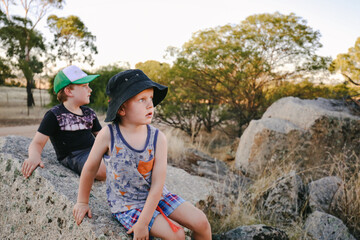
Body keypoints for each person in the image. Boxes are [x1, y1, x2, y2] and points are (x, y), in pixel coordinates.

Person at [73, 69, 212, 240]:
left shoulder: (157, 138)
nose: (150, 106)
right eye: (142, 100)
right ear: (122, 109)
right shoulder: (108, 134)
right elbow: (90, 168)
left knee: (201, 222)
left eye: (151, 99)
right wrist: (82, 202)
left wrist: (144, 222)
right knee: (177, 235)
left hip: (158, 196)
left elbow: (158, 184)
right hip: (128, 205)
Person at [21, 65, 106, 181]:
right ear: (68, 91)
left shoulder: (89, 113)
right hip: (74, 156)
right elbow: (37, 143)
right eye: (84, 86)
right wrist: (34, 157)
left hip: (94, 150)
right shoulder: (54, 115)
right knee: (101, 169)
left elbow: (102, 137)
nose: (90, 90)